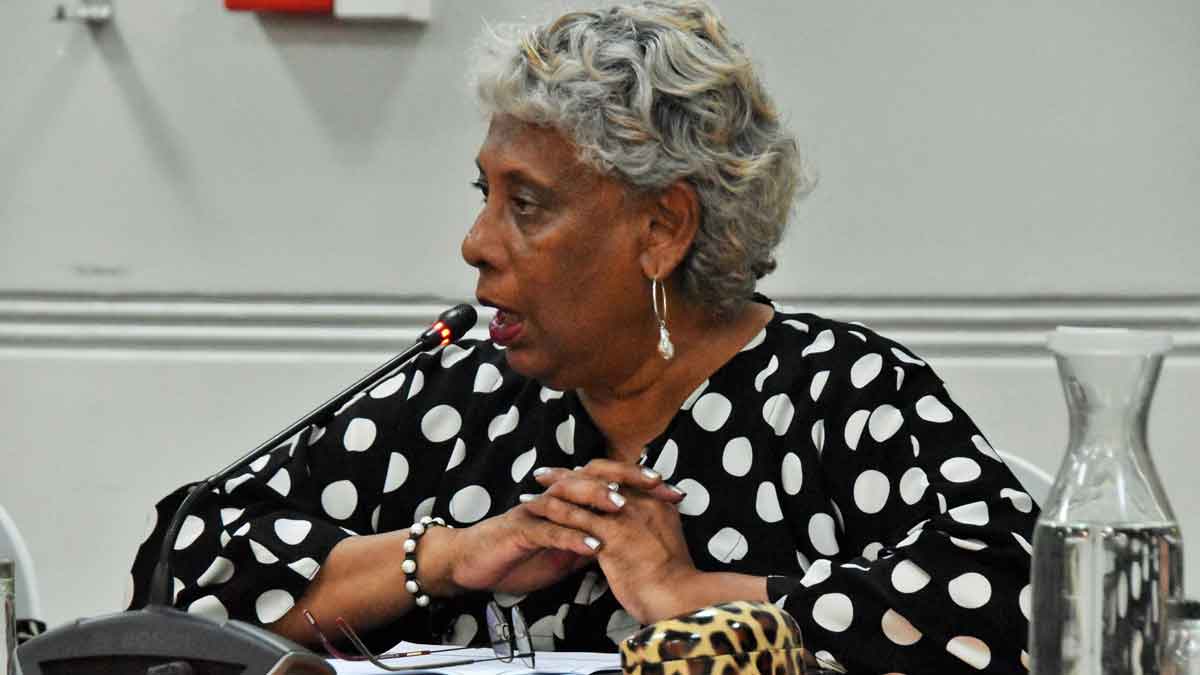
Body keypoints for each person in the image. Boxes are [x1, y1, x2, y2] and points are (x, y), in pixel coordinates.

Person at [129, 1, 1036, 671]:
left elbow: (1020, 594)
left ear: (662, 229)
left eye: (526, 204)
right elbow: (181, 567)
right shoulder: (467, 393)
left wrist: (696, 596)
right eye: (483, 195)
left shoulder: (842, 394)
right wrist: (446, 556)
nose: (476, 243)